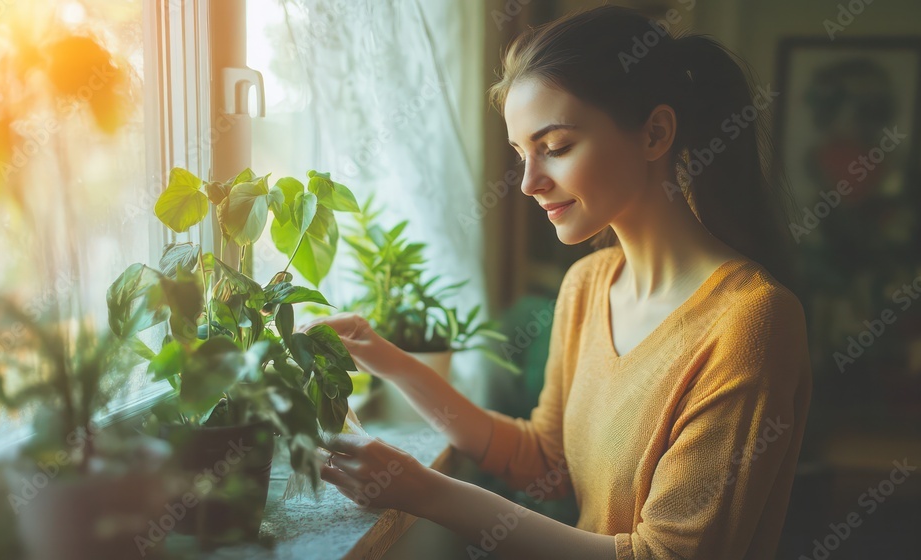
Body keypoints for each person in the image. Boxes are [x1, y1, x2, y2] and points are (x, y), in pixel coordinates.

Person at [303, 5, 812, 559]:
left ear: (655, 133)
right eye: (522, 153)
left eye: (557, 147)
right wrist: (382, 355)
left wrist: (424, 490)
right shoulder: (587, 285)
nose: (528, 182)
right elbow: (545, 462)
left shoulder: (751, 322)